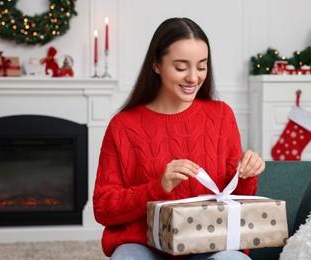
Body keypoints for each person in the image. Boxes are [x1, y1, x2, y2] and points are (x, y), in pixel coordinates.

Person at [93, 17, 266, 260]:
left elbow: (237, 200)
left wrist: (247, 174)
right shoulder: (123, 126)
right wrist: (158, 187)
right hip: (144, 245)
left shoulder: (220, 115)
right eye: (181, 67)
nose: (193, 78)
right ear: (156, 65)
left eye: (202, 66)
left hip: (209, 243)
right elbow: (103, 208)